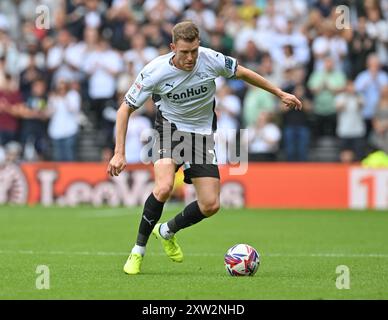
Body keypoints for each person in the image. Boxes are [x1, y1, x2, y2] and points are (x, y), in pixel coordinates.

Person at [107, 21, 302, 275]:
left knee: (211, 204)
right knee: (164, 186)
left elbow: (243, 72)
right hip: (170, 129)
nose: (190, 58)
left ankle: (166, 231)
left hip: (201, 135)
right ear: (173, 47)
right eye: (184, 52)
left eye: (194, 51)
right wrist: (119, 152)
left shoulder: (211, 59)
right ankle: (138, 251)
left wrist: (279, 93)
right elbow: (124, 109)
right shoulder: (154, 71)